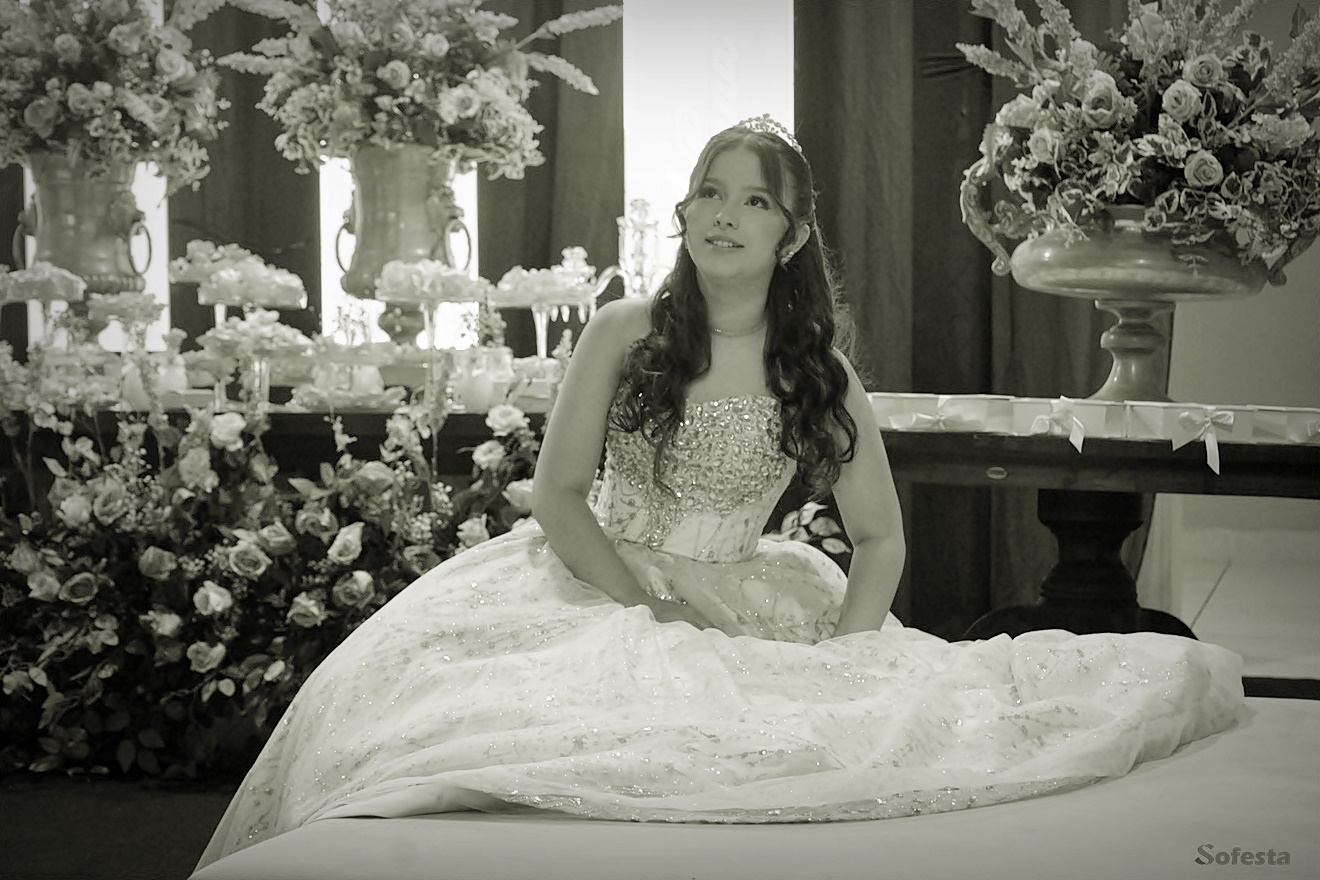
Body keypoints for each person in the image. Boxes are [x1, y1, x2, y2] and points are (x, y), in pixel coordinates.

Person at [195, 117, 1243, 870]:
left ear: (792, 235)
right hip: (593, 578)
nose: (725, 215)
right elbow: (558, 496)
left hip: (747, 593)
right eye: (709, 191)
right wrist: (641, 606)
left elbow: (880, 539)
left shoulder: (817, 370)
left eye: (755, 200)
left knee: (805, 742)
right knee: (456, 733)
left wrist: (847, 658)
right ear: (685, 211)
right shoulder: (623, 331)